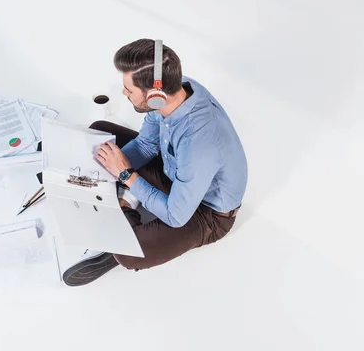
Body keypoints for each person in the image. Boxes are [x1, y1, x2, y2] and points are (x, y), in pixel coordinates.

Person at [62, 38, 248, 286]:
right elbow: (147, 145)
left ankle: (124, 207)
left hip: (207, 212)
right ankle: (127, 197)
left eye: (129, 89)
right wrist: (103, 168)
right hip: (176, 171)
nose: (123, 93)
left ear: (155, 95)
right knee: (100, 133)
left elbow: (175, 215)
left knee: (128, 253)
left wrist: (126, 175)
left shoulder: (199, 142)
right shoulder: (178, 88)